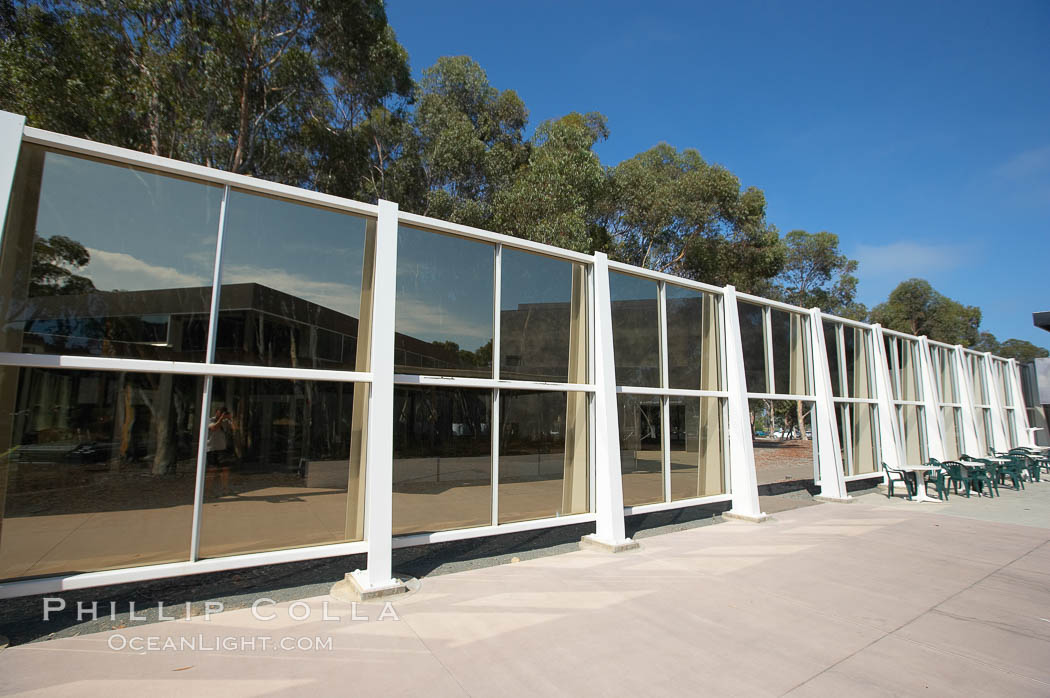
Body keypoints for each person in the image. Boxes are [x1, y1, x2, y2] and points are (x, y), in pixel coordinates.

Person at [206, 406, 233, 496]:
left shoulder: (225, 422)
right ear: (216, 412)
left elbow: (234, 428)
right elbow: (214, 428)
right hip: (212, 449)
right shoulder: (210, 420)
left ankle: (225, 489)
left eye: (223, 413)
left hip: (222, 448)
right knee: (212, 470)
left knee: (225, 469)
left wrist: (230, 419)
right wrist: (221, 419)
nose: (222, 414)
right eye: (221, 412)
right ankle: (208, 491)